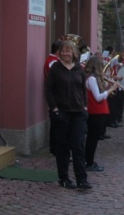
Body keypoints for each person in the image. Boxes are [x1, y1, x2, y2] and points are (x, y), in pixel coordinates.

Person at [45, 40, 92, 190]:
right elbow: (48, 89)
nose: (65, 54)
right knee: (63, 147)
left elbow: (83, 89)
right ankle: (64, 178)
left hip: (78, 112)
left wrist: (85, 107)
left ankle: (82, 179)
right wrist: (54, 109)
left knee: (78, 146)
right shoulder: (56, 68)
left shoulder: (79, 68)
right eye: (63, 51)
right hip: (62, 113)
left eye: (68, 51)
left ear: (74, 53)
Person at [84, 55, 119, 172]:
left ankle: (89, 160)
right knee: (92, 139)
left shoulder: (92, 78)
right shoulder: (91, 79)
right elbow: (98, 97)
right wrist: (111, 89)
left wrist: (107, 87)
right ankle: (89, 162)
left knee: (92, 138)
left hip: (97, 112)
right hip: (96, 112)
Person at [43, 40, 62, 156]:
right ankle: (55, 147)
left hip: (57, 95)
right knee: (57, 124)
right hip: (56, 95)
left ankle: (55, 147)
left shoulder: (55, 61)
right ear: (58, 51)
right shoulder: (52, 63)